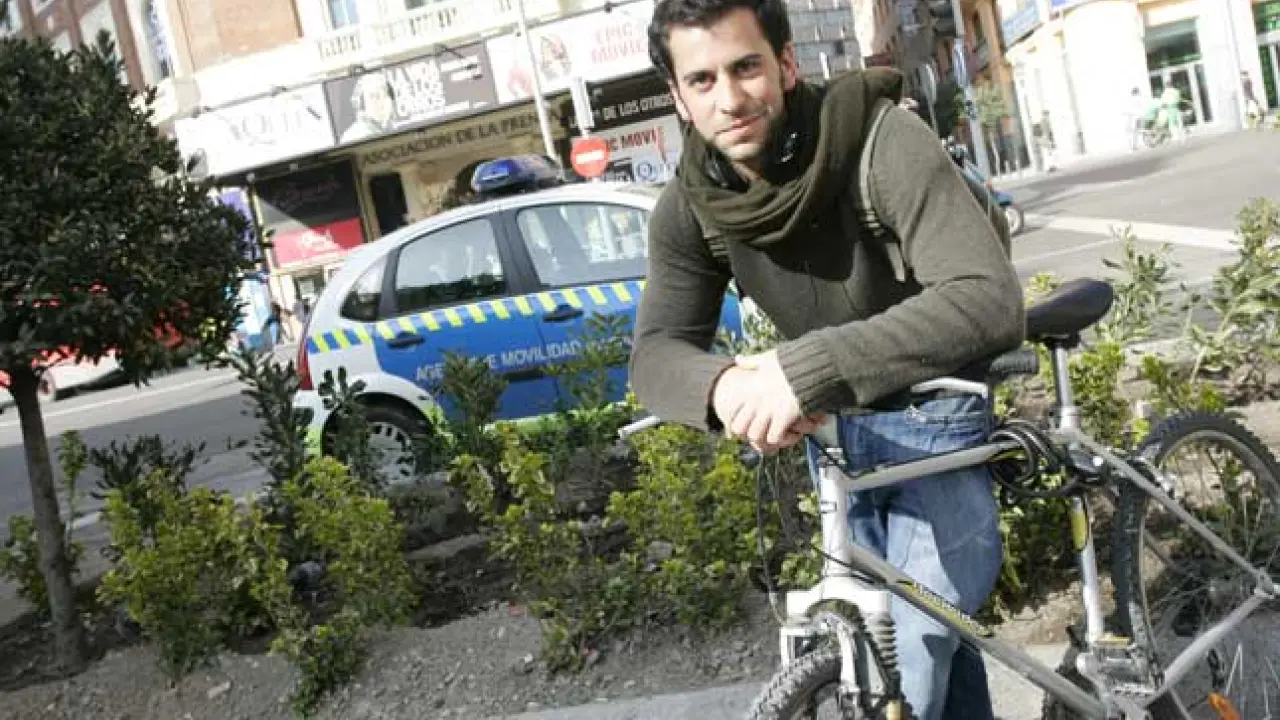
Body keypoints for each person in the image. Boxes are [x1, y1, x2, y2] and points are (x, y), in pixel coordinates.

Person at [629, 0, 1024, 718]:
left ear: (786, 63)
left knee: (910, 652)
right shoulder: (693, 205)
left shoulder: (880, 140)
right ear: (679, 98)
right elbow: (655, 353)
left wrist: (802, 369)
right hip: (840, 432)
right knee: (919, 644)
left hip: (938, 414)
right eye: (703, 80)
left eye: (746, 67)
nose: (730, 98)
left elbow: (987, 296)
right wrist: (722, 386)